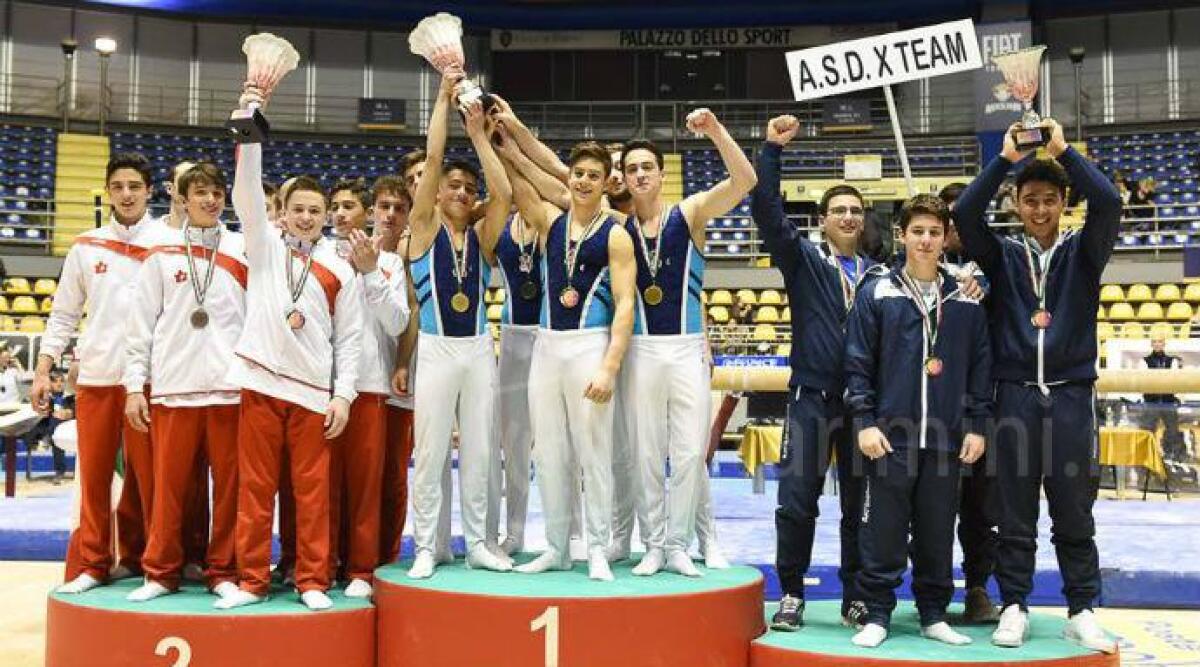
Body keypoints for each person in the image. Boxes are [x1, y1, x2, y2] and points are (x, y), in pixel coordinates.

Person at [953, 118, 1120, 653]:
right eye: (1030, 201)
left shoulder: (1085, 250)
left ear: (1064, 203)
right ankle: (1015, 605)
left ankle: (1082, 608)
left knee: (1074, 509)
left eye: (1049, 200)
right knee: (1014, 511)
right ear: (1017, 205)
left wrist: (1063, 150)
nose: (1040, 209)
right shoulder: (1002, 255)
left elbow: (1109, 202)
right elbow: (964, 213)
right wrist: (1004, 160)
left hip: (1071, 395)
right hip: (1015, 394)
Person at [217, 85, 363, 611]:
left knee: (311, 493)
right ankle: (252, 581)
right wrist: (249, 125)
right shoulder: (261, 246)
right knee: (255, 489)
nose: (305, 217)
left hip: (311, 394)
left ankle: (312, 581)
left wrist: (343, 395)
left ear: (326, 216)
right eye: (297, 209)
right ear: (281, 212)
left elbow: (350, 340)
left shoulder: (341, 268)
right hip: (260, 381)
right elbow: (245, 194)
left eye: (314, 210)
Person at [845, 194, 992, 648]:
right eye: (917, 232)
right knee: (883, 531)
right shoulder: (878, 291)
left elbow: (980, 366)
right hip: (890, 436)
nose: (926, 240)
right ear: (902, 235)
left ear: (946, 237)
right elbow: (857, 361)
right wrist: (865, 420)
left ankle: (933, 614)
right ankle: (877, 615)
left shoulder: (965, 297)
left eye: (934, 232)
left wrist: (977, 425)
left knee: (937, 531)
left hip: (946, 437)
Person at [617, 108, 755, 577]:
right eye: (632, 169)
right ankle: (655, 545)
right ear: (624, 178)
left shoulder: (689, 213)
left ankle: (683, 544)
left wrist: (716, 131)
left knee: (692, 453)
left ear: (661, 174)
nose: (640, 174)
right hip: (640, 351)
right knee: (646, 456)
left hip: (685, 348)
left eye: (647, 167)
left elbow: (744, 181)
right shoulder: (616, 228)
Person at [751, 115, 874, 630]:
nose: (847, 216)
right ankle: (792, 594)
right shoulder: (803, 260)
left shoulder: (879, 275)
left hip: (864, 405)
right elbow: (766, 210)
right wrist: (772, 151)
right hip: (811, 398)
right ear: (822, 220)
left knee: (860, 508)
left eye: (855, 211)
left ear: (863, 221)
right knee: (797, 503)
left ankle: (856, 597)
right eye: (838, 210)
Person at [508, 139, 636, 581]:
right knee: (548, 452)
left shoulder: (616, 235)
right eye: (578, 174)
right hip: (546, 346)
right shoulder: (550, 222)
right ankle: (557, 547)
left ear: (605, 183)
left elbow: (624, 304)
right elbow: (518, 187)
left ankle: (597, 548)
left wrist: (609, 367)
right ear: (569, 177)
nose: (583, 181)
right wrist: (499, 142)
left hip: (588, 345)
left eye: (592, 176)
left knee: (593, 452)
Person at [402, 74, 513, 580]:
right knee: (429, 453)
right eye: (454, 185)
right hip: (436, 348)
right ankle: (428, 545)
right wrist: (443, 103)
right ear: (437, 192)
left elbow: (504, 192)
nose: (463, 192)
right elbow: (432, 156)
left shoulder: (483, 236)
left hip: (477, 349)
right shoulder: (423, 227)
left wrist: (479, 136)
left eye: (469, 188)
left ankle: (480, 544)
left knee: (480, 452)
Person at [35, 153, 161, 594]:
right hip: (98, 376)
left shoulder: (168, 242)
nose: (126, 194)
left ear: (149, 191)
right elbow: (64, 314)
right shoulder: (86, 246)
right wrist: (44, 368)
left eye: (134, 186)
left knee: (151, 480)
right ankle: (93, 563)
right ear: (107, 192)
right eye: (118, 186)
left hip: (151, 379)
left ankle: (150, 561)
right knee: (94, 477)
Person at [121, 161, 246, 603]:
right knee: (168, 489)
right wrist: (134, 386)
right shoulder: (160, 252)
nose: (210, 201)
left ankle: (223, 569)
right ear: (182, 199)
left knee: (230, 490)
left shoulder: (243, 250)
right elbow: (140, 325)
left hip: (230, 390)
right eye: (200, 194)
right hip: (174, 388)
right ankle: (160, 572)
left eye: (216, 193)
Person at [325, 176, 410, 597]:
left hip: (370, 385)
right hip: (320, 386)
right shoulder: (317, 255)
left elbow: (397, 323)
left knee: (365, 487)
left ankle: (361, 569)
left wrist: (371, 272)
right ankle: (320, 564)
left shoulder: (390, 263)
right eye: (336, 207)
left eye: (350, 206)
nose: (341, 214)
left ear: (366, 214)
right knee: (323, 486)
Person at [937, 182, 1000, 623]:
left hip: (982, 404)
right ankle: (933, 590)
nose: (957, 224)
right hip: (933, 404)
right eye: (950, 216)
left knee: (980, 508)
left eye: (965, 214)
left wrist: (984, 288)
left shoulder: (998, 262)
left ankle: (978, 587)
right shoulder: (919, 266)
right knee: (932, 504)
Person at [1143, 336, 1184, 461]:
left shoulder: (1172, 361)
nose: (1157, 344)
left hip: (1168, 402)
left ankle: (1173, 457)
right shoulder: (1144, 361)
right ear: (1151, 344)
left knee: (1173, 431)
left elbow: (1176, 382)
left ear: (1164, 344)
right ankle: (1146, 456)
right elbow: (1143, 382)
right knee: (1148, 431)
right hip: (1151, 403)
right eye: (1154, 342)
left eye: (1160, 342)